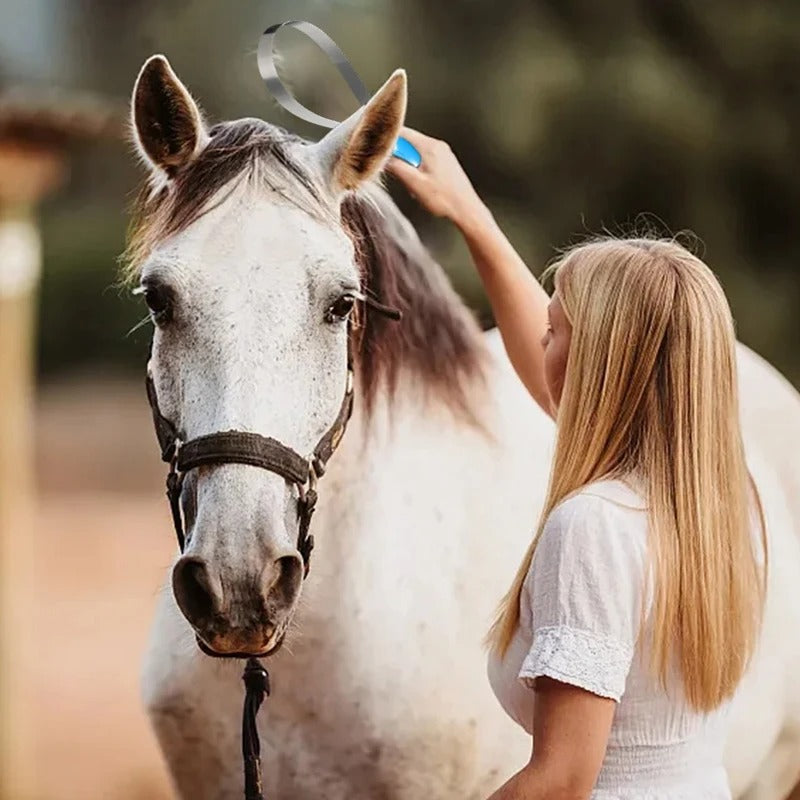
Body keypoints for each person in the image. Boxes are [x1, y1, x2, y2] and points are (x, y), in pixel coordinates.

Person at [386, 128, 768, 799]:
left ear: (598, 363)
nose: (540, 340)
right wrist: (472, 215)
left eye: (554, 331)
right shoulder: (725, 499)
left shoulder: (593, 526)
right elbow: (563, 383)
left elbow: (562, 779)